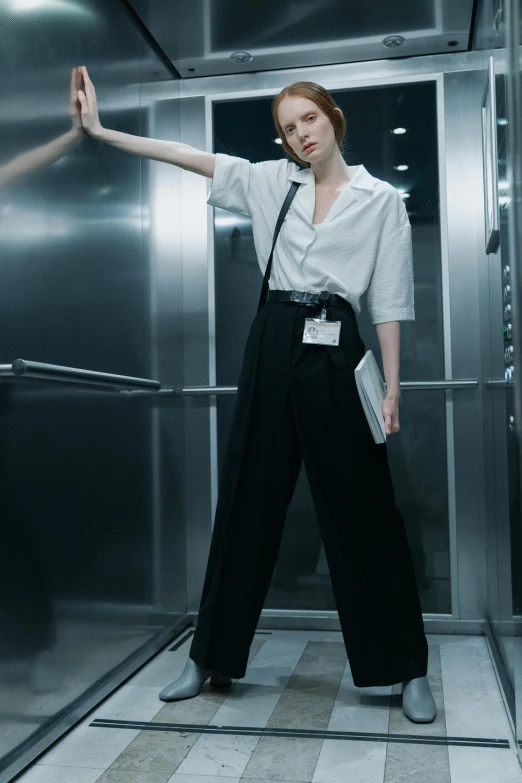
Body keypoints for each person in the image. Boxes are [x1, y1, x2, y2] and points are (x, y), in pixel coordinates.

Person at [77, 68, 436, 723]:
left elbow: (389, 300)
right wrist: (101, 130)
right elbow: (188, 156)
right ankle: (206, 656)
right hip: (273, 337)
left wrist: (391, 385)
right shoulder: (272, 183)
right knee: (246, 498)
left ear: (332, 117)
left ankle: (405, 667)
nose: (301, 134)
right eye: (288, 127)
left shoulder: (381, 200)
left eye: (309, 118)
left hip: (339, 348)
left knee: (365, 508)